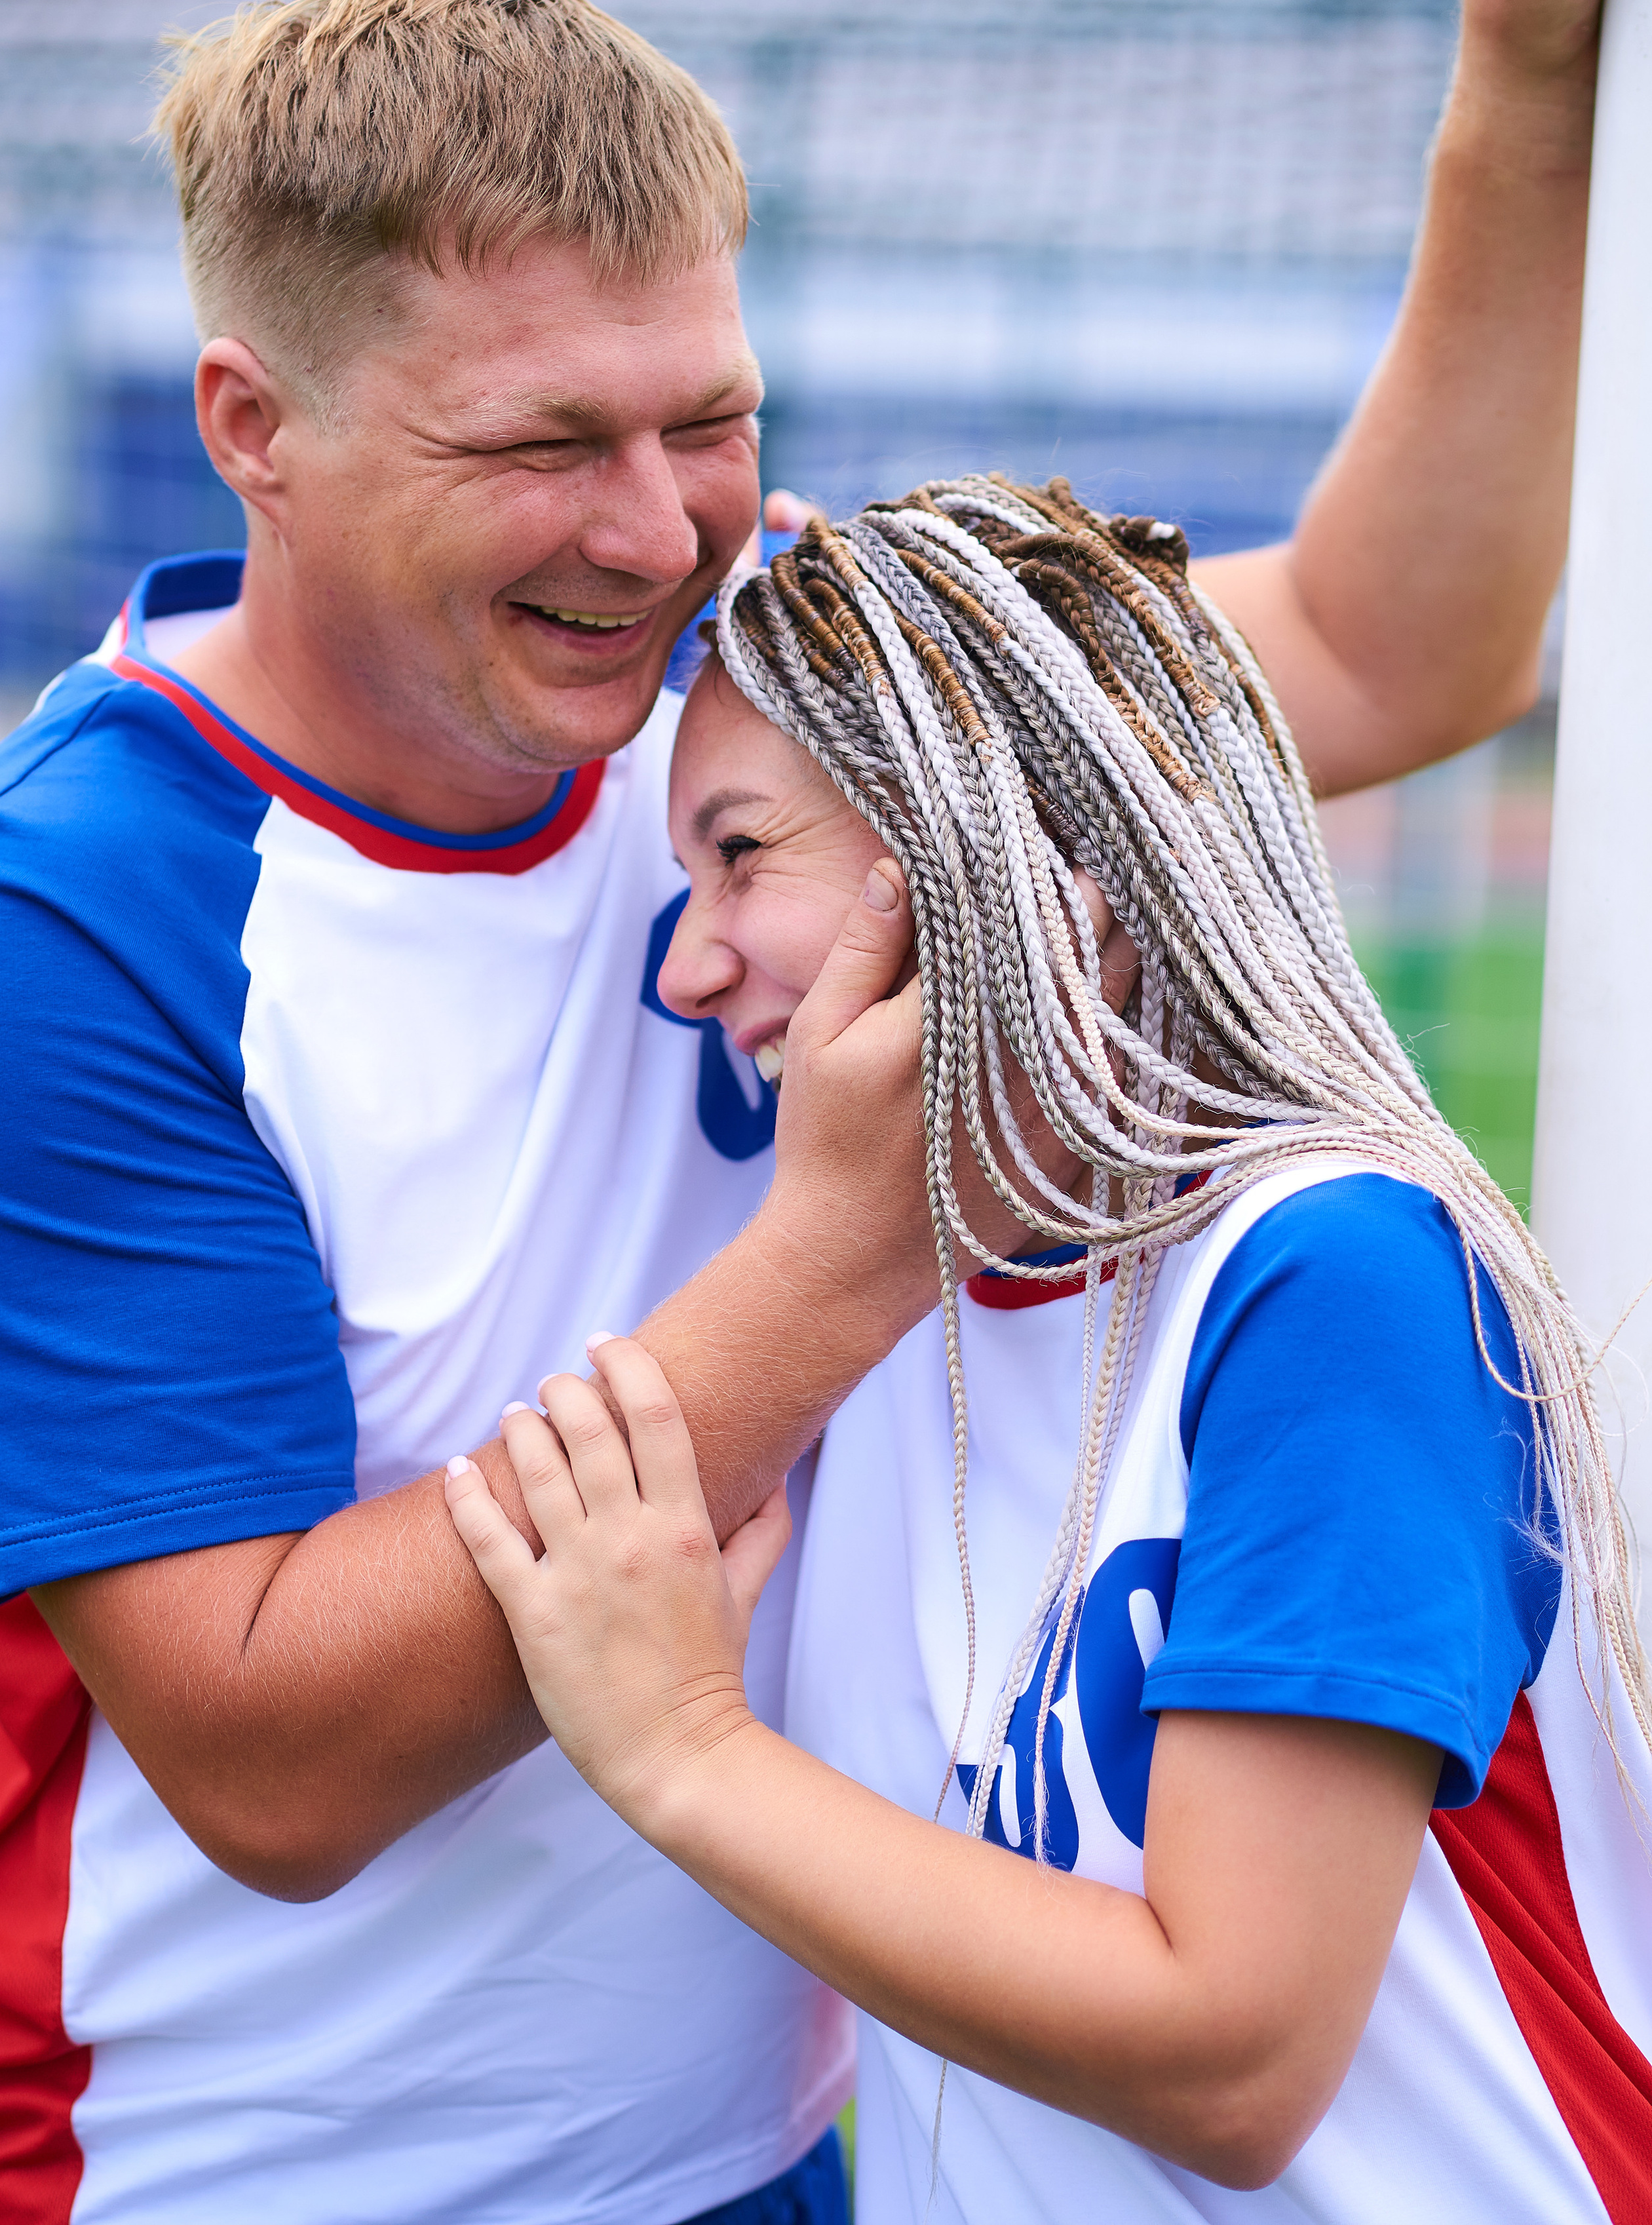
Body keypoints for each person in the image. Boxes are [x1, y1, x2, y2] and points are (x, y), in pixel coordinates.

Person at [0, 0, 1646, 2218]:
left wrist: (1519, 64)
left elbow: (1403, 646)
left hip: (783, 2156)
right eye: (545, 442)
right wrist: (833, 1265)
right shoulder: (73, 926)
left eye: (714, 418)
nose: (658, 533)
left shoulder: (777, 694)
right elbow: (273, 1759)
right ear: (254, 425)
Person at [446, 474, 1652, 2222]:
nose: (689, 965)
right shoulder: (886, 1312)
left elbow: (1235, 2052)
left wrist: (685, 1747)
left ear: (974, 841)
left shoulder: (1338, 1283)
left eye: (736, 853)